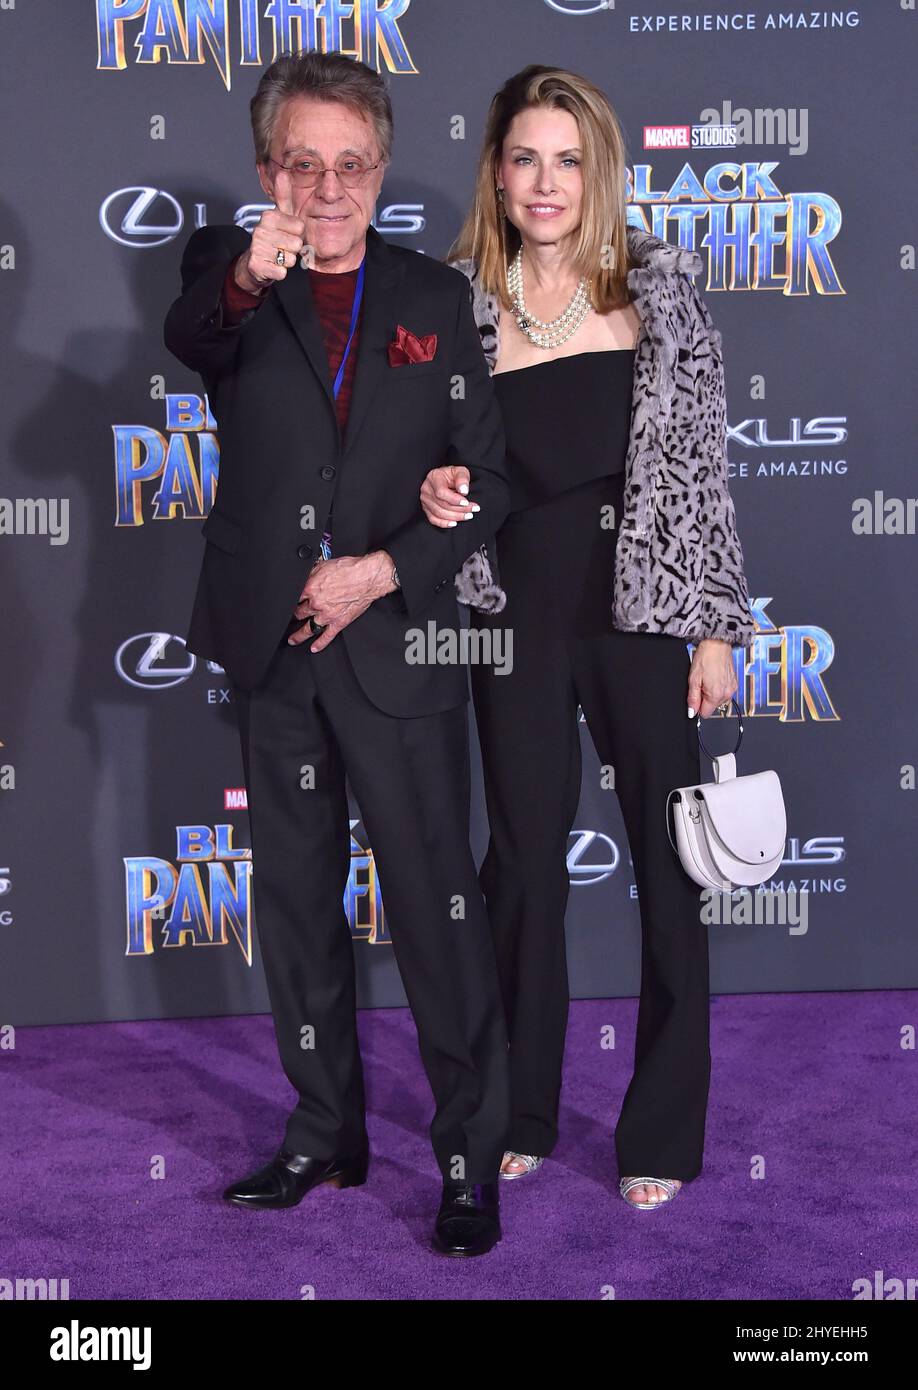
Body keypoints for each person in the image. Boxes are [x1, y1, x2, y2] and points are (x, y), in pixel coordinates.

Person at [163, 50, 514, 1257]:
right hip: (275, 648)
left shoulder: (430, 296)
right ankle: (325, 1131)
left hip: (397, 641)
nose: (326, 187)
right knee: (298, 905)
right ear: (268, 170)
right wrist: (252, 277)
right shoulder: (229, 275)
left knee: (435, 909)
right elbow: (194, 333)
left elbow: (492, 471)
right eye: (301, 164)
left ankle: (469, 1157)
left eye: (349, 164)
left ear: (380, 169)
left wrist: (389, 563)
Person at [419, 66, 756, 1209]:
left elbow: (703, 473)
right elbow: (423, 462)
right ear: (497, 171)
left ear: (599, 169)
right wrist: (440, 489)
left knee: (667, 865)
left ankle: (659, 1127)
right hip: (512, 611)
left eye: (568, 159)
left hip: (644, 613)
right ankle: (518, 1104)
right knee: (519, 863)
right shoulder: (457, 305)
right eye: (525, 158)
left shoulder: (659, 293)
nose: (546, 181)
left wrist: (714, 625)